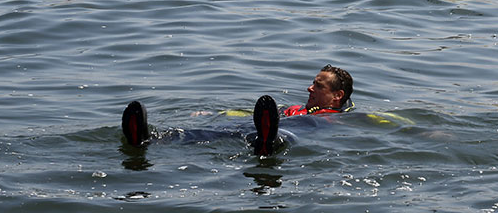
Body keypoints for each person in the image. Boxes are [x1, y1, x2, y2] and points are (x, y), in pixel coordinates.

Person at [122, 65, 354, 157]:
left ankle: (268, 142)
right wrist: (221, 113)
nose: (309, 87)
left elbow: (383, 120)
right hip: (259, 127)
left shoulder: (333, 118)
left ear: (338, 96)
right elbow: (247, 114)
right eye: (312, 82)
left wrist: (389, 118)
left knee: (287, 134)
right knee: (220, 131)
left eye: (318, 85)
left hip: (298, 130)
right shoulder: (293, 108)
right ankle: (149, 140)